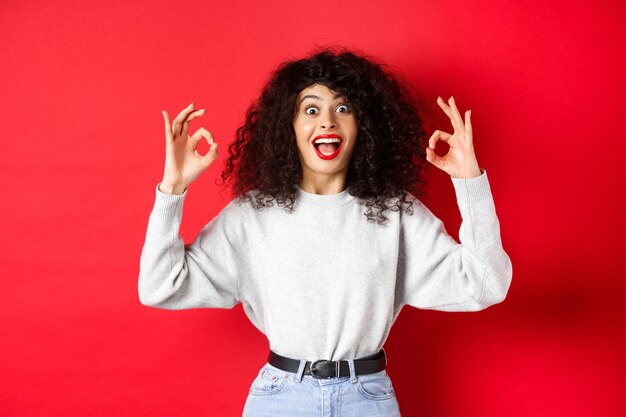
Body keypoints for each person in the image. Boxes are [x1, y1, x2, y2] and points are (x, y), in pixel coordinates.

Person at [138, 49, 512, 416]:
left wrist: (470, 183)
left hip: (367, 399)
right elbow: (160, 286)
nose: (328, 122)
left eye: (343, 108)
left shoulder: (395, 212)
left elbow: (485, 284)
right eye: (311, 109)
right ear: (290, 125)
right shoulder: (252, 216)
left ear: (362, 125)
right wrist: (172, 188)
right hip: (280, 399)